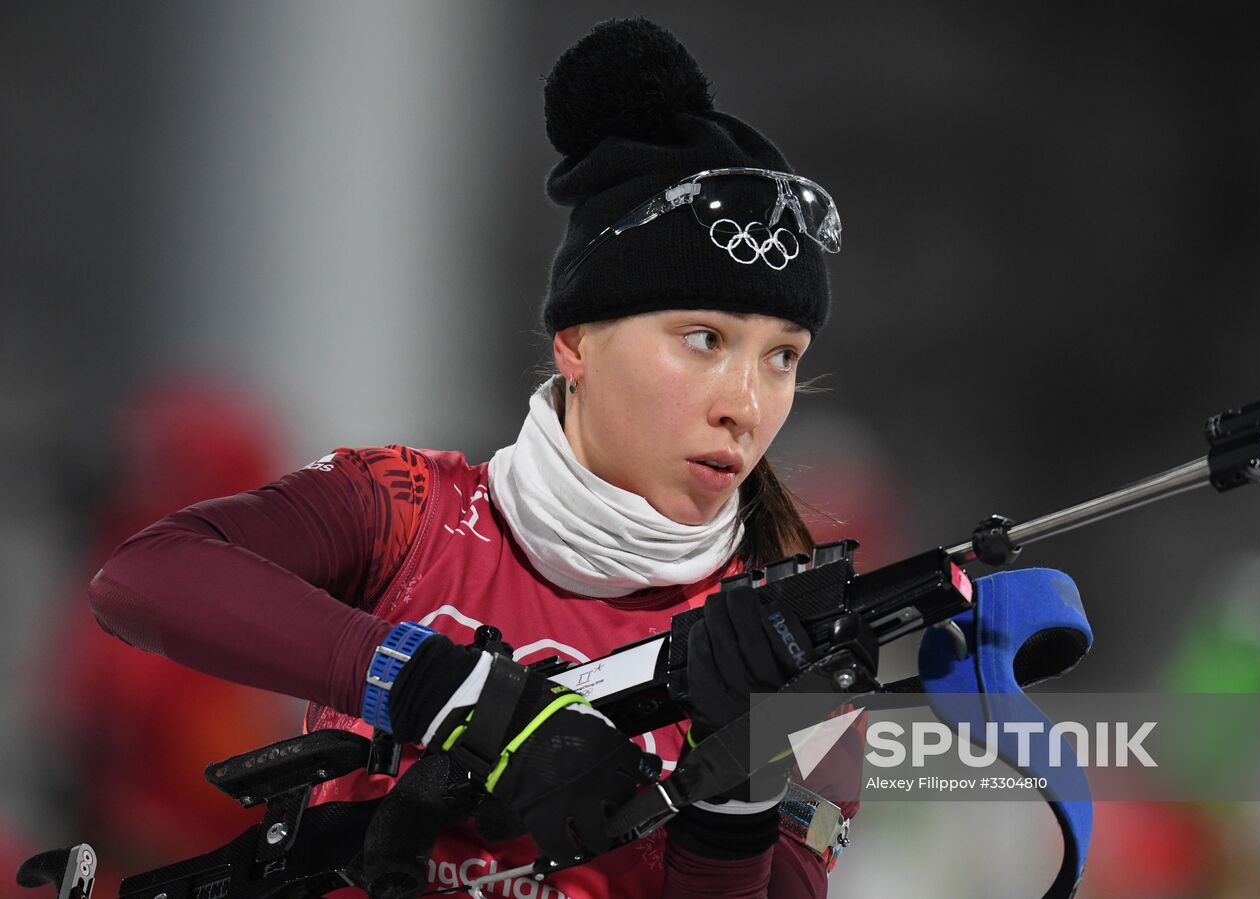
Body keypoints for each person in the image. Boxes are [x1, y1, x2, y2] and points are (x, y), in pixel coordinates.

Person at [87, 17, 861, 899]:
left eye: (783, 356)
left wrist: (737, 783)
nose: (747, 403)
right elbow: (143, 578)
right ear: (575, 343)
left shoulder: (798, 636)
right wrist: (446, 691)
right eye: (702, 337)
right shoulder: (410, 510)